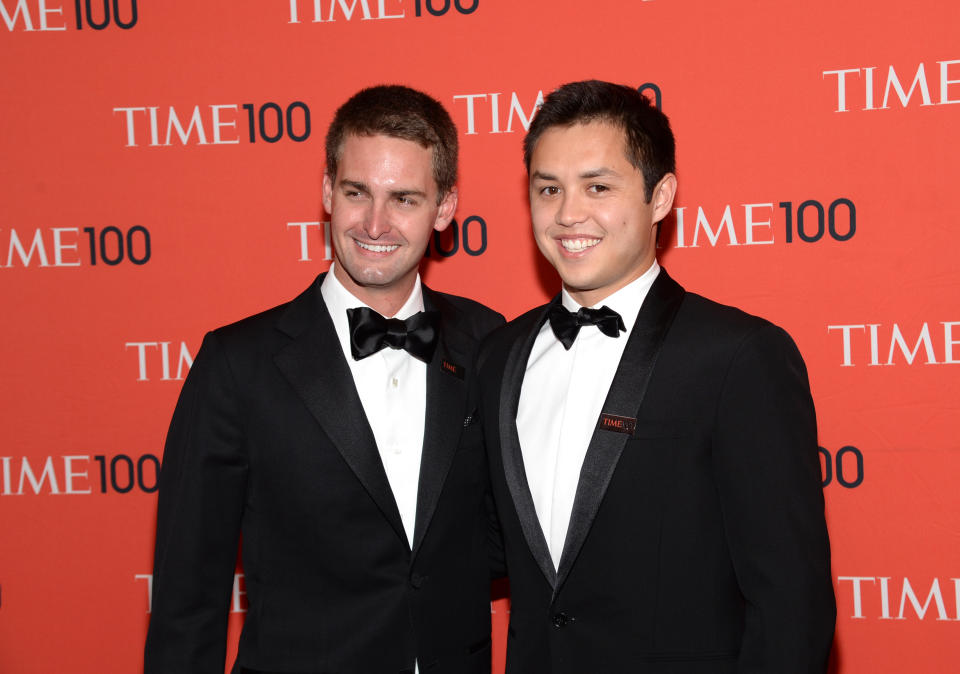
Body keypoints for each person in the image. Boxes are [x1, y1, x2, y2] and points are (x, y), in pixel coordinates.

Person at [477, 80, 836, 673]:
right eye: (549, 189)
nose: (568, 214)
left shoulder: (739, 357)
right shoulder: (499, 356)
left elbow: (790, 604)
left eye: (598, 187)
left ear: (660, 196)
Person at [144, 85, 504, 674]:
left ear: (444, 209)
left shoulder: (488, 340)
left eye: (405, 199)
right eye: (357, 191)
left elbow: (502, 529)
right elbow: (188, 594)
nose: (375, 223)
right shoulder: (238, 364)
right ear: (326, 192)